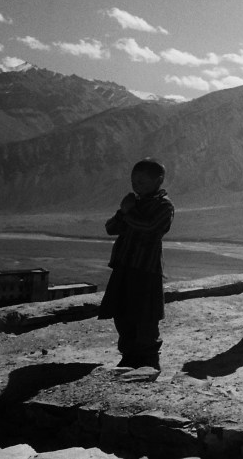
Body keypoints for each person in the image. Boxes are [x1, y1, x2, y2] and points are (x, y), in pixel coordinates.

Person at [98, 158, 174, 372]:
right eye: (134, 180)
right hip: (124, 266)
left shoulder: (164, 205)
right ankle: (129, 354)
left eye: (142, 181)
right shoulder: (134, 202)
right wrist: (124, 211)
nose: (136, 185)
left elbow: (150, 227)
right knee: (122, 312)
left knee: (145, 315)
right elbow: (111, 228)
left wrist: (129, 212)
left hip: (146, 269)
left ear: (158, 180)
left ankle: (148, 357)